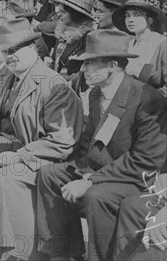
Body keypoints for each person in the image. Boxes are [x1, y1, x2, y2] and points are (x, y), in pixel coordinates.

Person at [0, 18, 83, 259]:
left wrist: (19, 156)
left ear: (32, 49)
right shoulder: (9, 80)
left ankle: (25, 252)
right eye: (6, 51)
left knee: (4, 179)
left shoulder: (53, 85)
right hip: (15, 151)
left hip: (48, 161)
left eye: (16, 50)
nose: (10, 56)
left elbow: (62, 142)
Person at [36, 29, 167, 261]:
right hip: (102, 170)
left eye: (90, 63)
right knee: (50, 174)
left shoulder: (148, 99)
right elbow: (88, 142)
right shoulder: (97, 93)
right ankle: (62, 252)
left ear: (112, 65)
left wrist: (89, 180)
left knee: (97, 196)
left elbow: (145, 161)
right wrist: (77, 170)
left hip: (136, 178)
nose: (83, 70)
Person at [112, 1, 167, 89]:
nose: (130, 20)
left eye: (137, 15)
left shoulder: (162, 44)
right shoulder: (128, 44)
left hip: (153, 100)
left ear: (150, 19)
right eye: (127, 15)